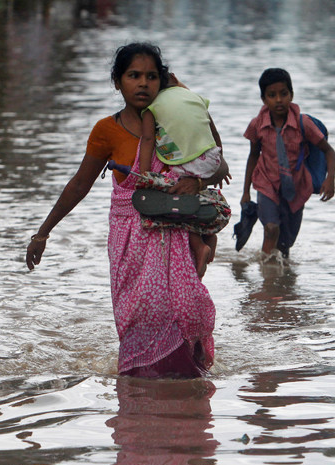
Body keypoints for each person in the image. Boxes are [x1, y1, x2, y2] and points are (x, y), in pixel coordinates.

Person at [25, 42, 230, 379]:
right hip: (129, 240)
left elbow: (216, 161)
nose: (143, 83)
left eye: (152, 76)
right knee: (140, 309)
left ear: (162, 82)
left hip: (173, 232)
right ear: (117, 82)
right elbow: (80, 184)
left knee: (182, 306)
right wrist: (43, 232)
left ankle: (184, 391)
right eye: (133, 75)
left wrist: (195, 179)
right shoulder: (107, 131)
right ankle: (141, 390)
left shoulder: (174, 119)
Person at [240, 68, 335, 259]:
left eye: (283, 94)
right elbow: (253, 156)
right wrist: (246, 192)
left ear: (291, 95)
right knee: (271, 228)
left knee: (285, 244)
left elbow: (329, 151)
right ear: (264, 99)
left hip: (296, 187)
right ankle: (267, 278)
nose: (278, 100)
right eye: (272, 95)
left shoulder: (304, 124)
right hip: (266, 184)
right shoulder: (257, 125)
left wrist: (330, 179)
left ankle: (282, 283)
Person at [137, 84, 225, 278]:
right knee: (193, 192)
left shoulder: (151, 109)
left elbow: (148, 139)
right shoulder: (193, 97)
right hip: (212, 155)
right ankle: (209, 233)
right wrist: (220, 160)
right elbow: (215, 134)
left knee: (178, 199)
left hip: (192, 161)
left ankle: (200, 244)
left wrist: (145, 176)